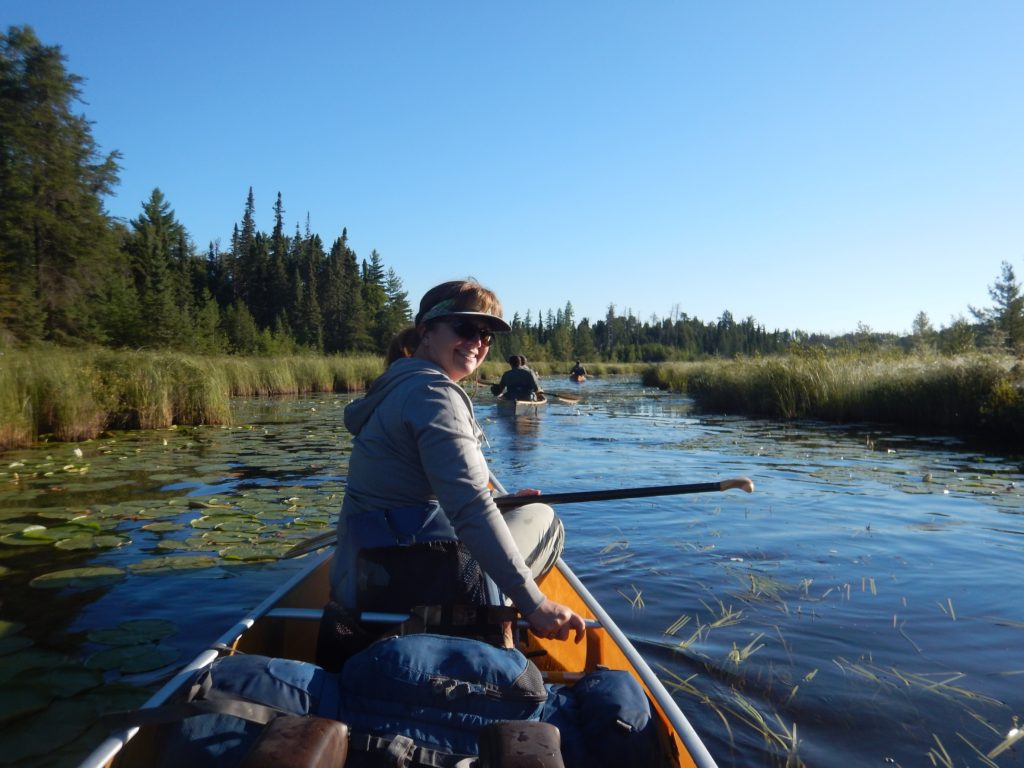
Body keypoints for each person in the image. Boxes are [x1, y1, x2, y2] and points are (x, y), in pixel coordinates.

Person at [320, 279, 584, 667]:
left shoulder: (394, 386)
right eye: (465, 328)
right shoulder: (436, 395)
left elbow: (419, 496)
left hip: (364, 580)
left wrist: (500, 502)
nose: (478, 342)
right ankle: (499, 630)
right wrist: (537, 603)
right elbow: (472, 510)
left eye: (487, 335)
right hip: (419, 584)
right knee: (544, 517)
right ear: (427, 329)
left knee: (506, 509)